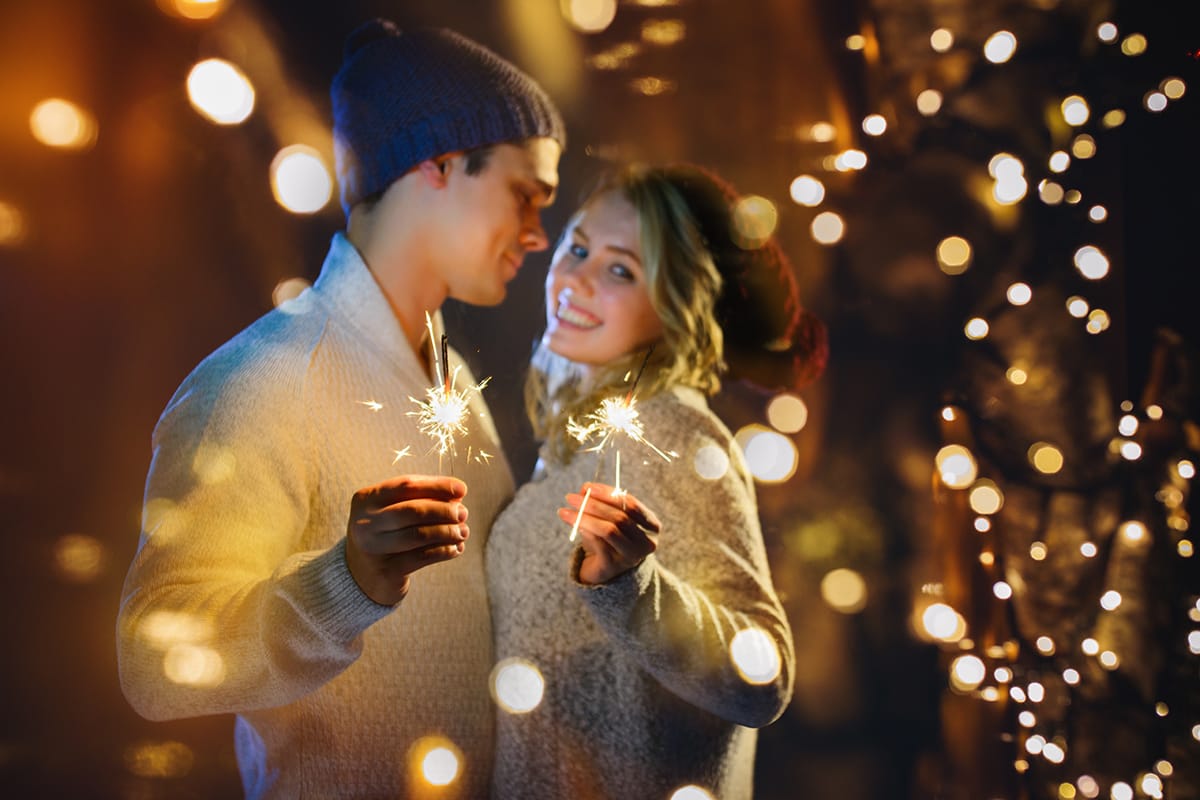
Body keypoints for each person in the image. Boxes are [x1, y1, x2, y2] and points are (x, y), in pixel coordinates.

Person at [116, 18, 564, 798]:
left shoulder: (450, 378)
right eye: (524, 194)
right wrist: (344, 582)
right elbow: (154, 667)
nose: (537, 234)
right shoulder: (262, 380)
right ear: (441, 164)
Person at [486, 163, 827, 799]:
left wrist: (632, 588)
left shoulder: (671, 434)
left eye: (620, 270)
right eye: (579, 248)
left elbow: (763, 676)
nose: (578, 278)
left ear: (676, 305)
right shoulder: (587, 435)